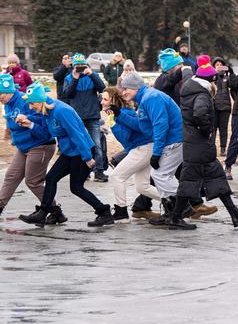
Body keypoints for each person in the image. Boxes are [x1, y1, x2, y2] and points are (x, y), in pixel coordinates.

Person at [167, 55, 238, 230]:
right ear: (211, 80)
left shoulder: (192, 88)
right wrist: (207, 131)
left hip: (197, 146)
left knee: (217, 179)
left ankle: (235, 215)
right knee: (188, 183)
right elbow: (200, 114)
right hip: (198, 146)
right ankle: (175, 218)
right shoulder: (201, 94)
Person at [19, 82, 114, 227]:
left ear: (40, 101)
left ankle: (104, 212)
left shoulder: (61, 111)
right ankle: (47, 213)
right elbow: (46, 133)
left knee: (76, 187)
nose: (31, 107)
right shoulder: (47, 112)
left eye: (32, 104)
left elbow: (77, 134)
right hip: (70, 151)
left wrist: (87, 157)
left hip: (83, 150)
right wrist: (30, 124)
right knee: (51, 178)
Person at [119, 72, 186, 226]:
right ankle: (172, 212)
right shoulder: (144, 99)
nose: (123, 92)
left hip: (174, 140)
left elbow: (160, 125)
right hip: (170, 140)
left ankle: (183, 207)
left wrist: (156, 153)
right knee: (160, 175)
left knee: (161, 175)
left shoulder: (151, 98)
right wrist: (118, 115)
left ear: (135, 87)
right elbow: (142, 126)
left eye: (126, 88)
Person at [0, 75, 64, 223]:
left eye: (0, 94)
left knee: (33, 181)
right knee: (11, 176)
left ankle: (56, 212)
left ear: (9, 90)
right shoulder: (8, 103)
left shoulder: (26, 101)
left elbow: (45, 131)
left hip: (41, 145)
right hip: (23, 147)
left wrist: (29, 123)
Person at [102, 86, 161, 223]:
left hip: (142, 149)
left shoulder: (124, 112)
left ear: (113, 100)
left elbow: (125, 137)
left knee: (117, 176)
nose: (102, 102)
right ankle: (176, 201)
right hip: (144, 148)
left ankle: (121, 213)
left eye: (105, 99)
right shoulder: (122, 112)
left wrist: (113, 123)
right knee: (142, 186)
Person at [63, 53, 108, 182]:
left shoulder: (92, 75)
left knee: (96, 145)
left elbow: (102, 87)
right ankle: (84, 171)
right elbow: (68, 94)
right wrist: (75, 78)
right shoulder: (69, 78)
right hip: (77, 117)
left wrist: (91, 74)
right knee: (81, 144)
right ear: (73, 66)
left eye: (82, 65)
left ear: (86, 64)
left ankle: (99, 171)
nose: (79, 68)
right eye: (77, 66)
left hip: (93, 116)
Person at [211, 57, 237, 156]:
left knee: (223, 128)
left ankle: (223, 148)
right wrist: (214, 74)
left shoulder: (227, 77)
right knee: (213, 128)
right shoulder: (212, 77)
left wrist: (232, 73)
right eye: (216, 65)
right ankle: (212, 147)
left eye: (220, 64)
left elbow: (234, 85)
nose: (218, 66)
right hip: (213, 106)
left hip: (225, 107)